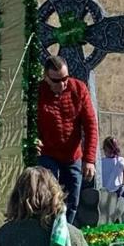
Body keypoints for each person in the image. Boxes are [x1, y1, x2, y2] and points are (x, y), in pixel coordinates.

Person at [37, 56, 99, 223]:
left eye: (65, 78)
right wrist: (32, 141)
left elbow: (91, 125)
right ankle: (46, 230)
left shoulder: (79, 89)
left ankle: (65, 234)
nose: (62, 84)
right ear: (46, 77)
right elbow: (27, 122)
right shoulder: (38, 92)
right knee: (49, 195)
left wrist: (89, 159)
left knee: (72, 201)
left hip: (72, 156)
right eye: (57, 80)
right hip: (47, 153)